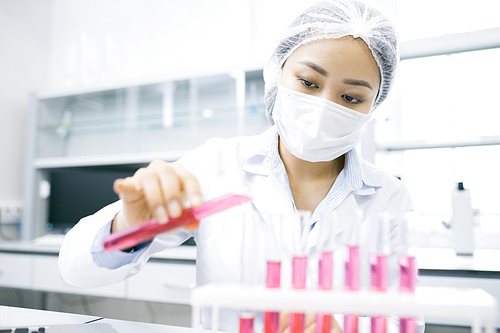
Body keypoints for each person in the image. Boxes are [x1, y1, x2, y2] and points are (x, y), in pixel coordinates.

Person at [59, 0, 423, 332]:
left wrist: (340, 328)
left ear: (374, 106)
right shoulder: (218, 164)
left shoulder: (389, 197)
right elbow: (76, 269)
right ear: (276, 73)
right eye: (308, 82)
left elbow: (403, 320)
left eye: (351, 97)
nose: (323, 106)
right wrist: (129, 226)